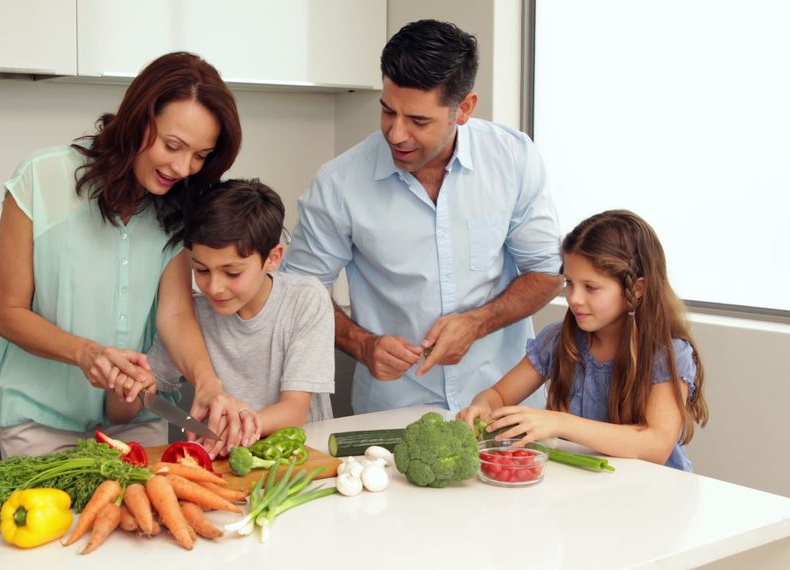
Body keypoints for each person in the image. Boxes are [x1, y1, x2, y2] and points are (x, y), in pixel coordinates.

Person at [283, 19, 562, 415]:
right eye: (387, 111)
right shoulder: (338, 184)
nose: (396, 134)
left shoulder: (513, 159)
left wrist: (477, 323)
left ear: (463, 109)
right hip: (392, 414)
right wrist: (364, 345)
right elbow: (298, 296)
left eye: (418, 121)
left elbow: (547, 274)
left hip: (504, 407)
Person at [0, 52, 248, 457]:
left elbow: (175, 314)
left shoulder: (178, 207)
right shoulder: (40, 179)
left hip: (137, 419)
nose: (182, 168)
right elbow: (7, 312)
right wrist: (86, 353)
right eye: (172, 145)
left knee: (146, 521)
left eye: (200, 156)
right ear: (139, 118)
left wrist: (208, 383)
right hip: (39, 423)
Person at [458, 210, 709, 471]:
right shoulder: (557, 340)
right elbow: (498, 394)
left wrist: (558, 422)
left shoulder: (667, 354)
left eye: (591, 287)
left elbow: (656, 444)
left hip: (654, 495)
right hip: (584, 490)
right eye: (569, 283)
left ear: (636, 289)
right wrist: (482, 406)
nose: (574, 298)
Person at [106, 179, 335, 452]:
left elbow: (295, 411)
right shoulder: (191, 316)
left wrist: (238, 425)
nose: (214, 287)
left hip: (303, 454)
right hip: (228, 460)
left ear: (273, 258)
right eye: (201, 270)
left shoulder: (305, 299)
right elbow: (119, 414)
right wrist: (126, 390)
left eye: (232, 273)